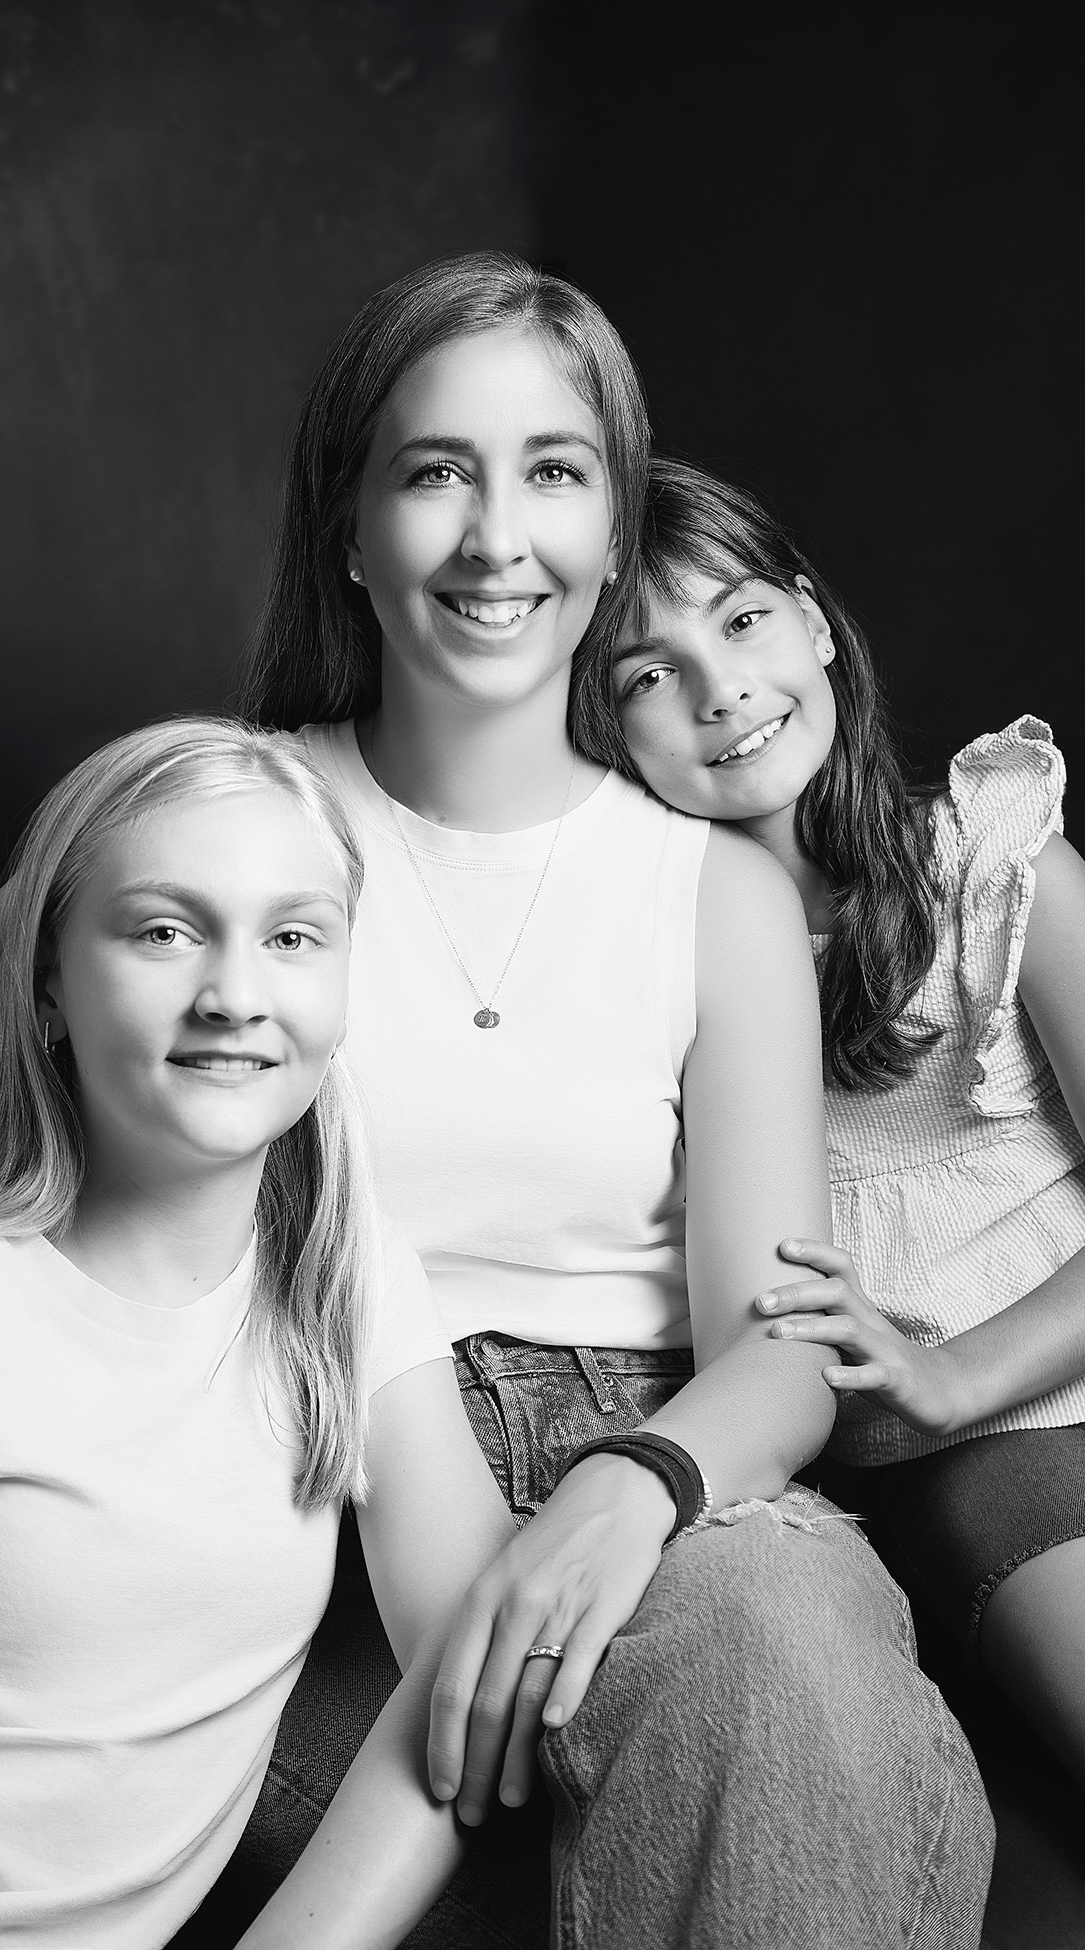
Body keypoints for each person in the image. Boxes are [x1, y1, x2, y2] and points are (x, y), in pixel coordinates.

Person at [0, 255, 994, 1949]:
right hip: (292, 1480)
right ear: (349, 528)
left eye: (554, 474)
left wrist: (625, 1488)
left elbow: (780, 1339)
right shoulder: (233, 824)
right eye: (437, 473)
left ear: (608, 516)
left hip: (650, 1467)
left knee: (782, 1650)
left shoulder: (707, 893)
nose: (500, 539)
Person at [0, 718, 516, 1950]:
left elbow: (471, 1667)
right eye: (164, 930)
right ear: (51, 985)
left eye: (291, 937)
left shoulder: (351, 1290)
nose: (232, 995)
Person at [608, 450, 1085, 1792]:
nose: (721, 689)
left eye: (744, 618)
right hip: (951, 1477)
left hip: (1038, 1391)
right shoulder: (647, 974)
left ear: (813, 623)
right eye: (648, 674)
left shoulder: (988, 862)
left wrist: (952, 1373)